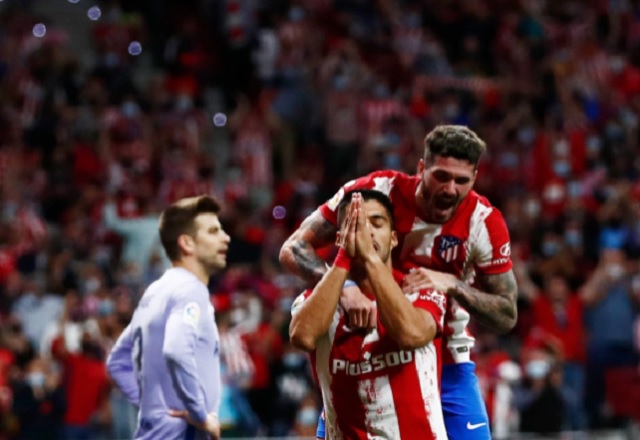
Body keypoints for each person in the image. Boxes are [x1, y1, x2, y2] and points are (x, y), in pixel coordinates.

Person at [280, 125, 518, 440]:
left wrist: (453, 284)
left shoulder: (483, 222)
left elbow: (506, 315)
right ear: (421, 169)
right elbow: (293, 248)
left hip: (444, 358)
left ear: (474, 178)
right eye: (441, 176)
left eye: (461, 180)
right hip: (362, 352)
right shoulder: (375, 191)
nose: (450, 189)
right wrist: (346, 289)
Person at [289, 190, 448, 439]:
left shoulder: (421, 289)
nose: (366, 232)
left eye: (376, 223)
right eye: (356, 224)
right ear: (340, 238)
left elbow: (412, 334)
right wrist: (344, 259)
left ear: (393, 238)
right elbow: (302, 337)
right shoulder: (317, 299)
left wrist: (370, 256)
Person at [106, 195, 230, 440]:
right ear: (187, 243)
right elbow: (176, 351)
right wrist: (199, 414)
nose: (225, 237)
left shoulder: (156, 293)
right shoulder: (188, 292)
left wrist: (152, 405)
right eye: (213, 231)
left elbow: (117, 363)